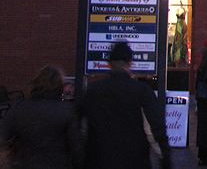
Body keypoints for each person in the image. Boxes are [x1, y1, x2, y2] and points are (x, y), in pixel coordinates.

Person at [82, 41, 171, 169]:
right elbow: (154, 128)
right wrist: (165, 157)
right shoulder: (142, 91)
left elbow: (82, 126)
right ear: (129, 63)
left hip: (99, 158)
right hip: (134, 159)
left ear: (109, 64)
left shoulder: (93, 90)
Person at [0, 65, 82, 168]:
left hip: (25, 163)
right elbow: (76, 148)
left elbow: (3, 136)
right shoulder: (67, 110)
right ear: (59, 86)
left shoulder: (19, 107)